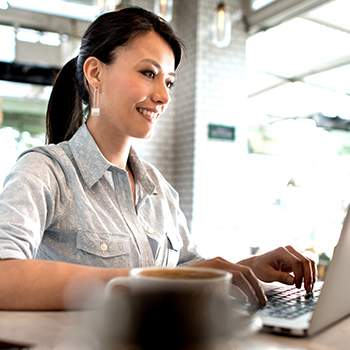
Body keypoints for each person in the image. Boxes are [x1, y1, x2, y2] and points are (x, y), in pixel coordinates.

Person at [0, 7, 316, 310]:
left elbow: (187, 272)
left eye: (168, 81)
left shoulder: (158, 189)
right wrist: (142, 283)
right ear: (95, 73)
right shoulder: (45, 170)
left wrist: (250, 267)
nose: (163, 96)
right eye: (148, 73)